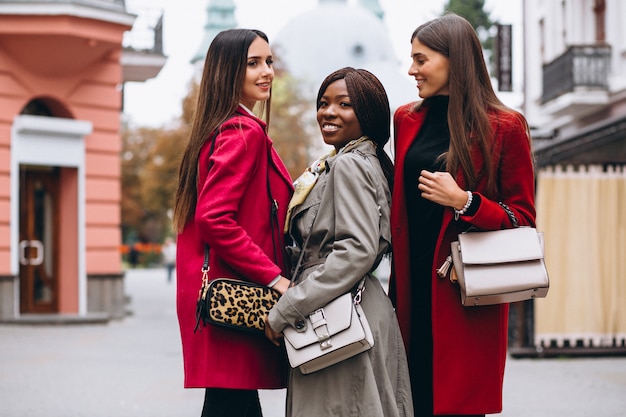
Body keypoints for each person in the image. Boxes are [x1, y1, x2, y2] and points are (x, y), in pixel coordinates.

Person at [389, 13, 536, 416]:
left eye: (421, 59)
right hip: (409, 288)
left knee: (458, 406)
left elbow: (523, 218)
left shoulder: (505, 126)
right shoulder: (406, 119)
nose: (411, 69)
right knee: (411, 401)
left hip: (465, 294)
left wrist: (466, 202)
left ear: (453, 59)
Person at [265, 67, 414, 417]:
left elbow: (355, 251)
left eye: (343, 104)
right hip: (351, 309)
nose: (328, 112)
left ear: (368, 112)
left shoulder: (348, 165)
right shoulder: (364, 161)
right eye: (323, 103)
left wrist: (285, 310)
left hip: (336, 316)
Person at [172, 28, 294, 417]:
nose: (267, 72)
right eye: (253, 63)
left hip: (222, 295)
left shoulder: (219, 128)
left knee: (232, 401)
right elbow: (214, 218)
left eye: (269, 62)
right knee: (232, 402)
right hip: (236, 296)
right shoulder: (243, 132)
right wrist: (275, 278)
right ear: (228, 71)